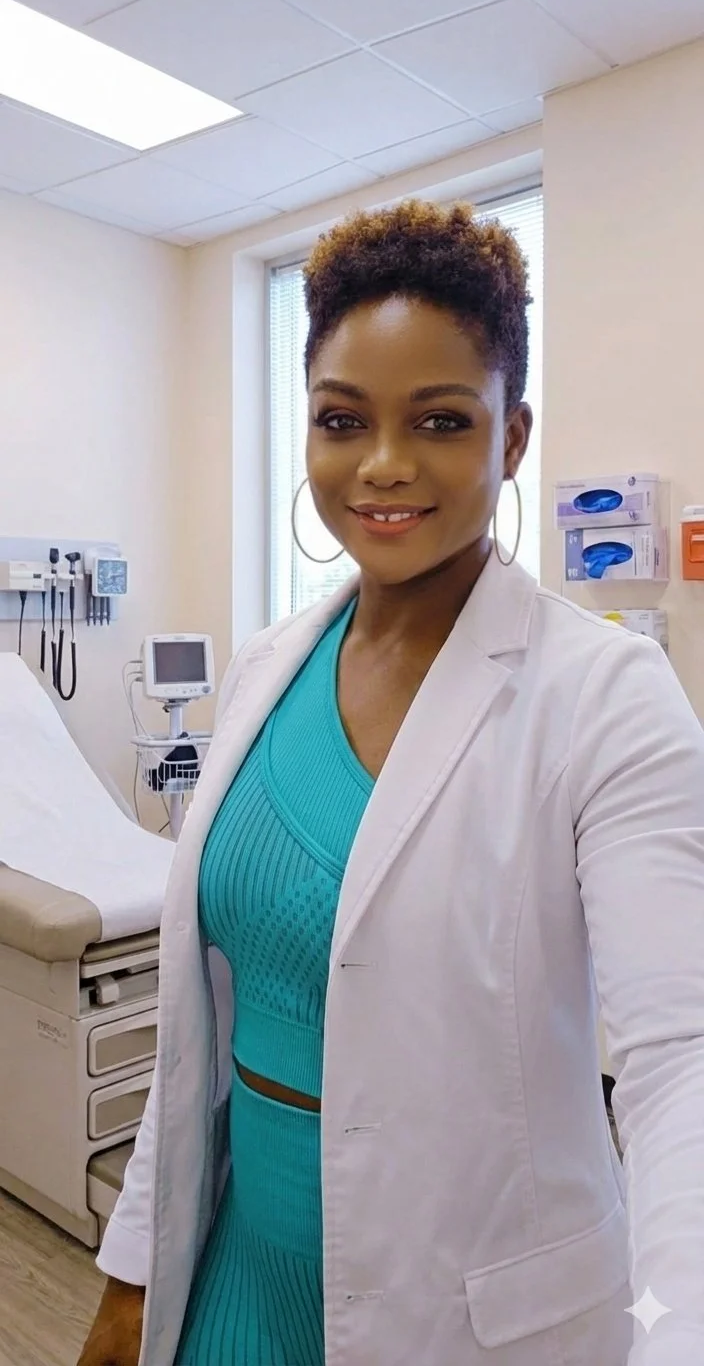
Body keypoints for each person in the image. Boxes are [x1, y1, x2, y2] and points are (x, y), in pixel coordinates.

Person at [78, 201, 704, 1366]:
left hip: (463, 1313)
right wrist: (131, 1270)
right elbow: (197, 1032)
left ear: (509, 436)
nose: (382, 464)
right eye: (340, 419)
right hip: (235, 1276)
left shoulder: (605, 699)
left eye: (439, 420)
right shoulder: (268, 666)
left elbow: (681, 1057)